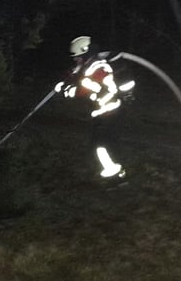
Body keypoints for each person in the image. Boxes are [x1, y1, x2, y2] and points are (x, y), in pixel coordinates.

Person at [54, 36, 135, 183]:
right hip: (103, 112)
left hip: (109, 111)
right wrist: (65, 82)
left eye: (77, 57)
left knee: (100, 146)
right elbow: (75, 75)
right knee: (105, 144)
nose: (75, 61)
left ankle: (116, 176)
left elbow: (87, 88)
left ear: (85, 54)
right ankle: (118, 175)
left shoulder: (98, 68)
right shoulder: (90, 66)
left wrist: (68, 91)